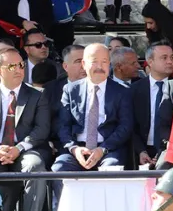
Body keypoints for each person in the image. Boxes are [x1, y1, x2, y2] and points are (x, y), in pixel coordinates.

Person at [0, 46, 49, 211]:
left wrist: (19, 148)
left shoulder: (37, 95)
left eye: (21, 65)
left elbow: (42, 130)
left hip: (25, 151)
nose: (19, 69)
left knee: (36, 166)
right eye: (12, 66)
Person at [51, 43, 133, 173]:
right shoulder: (71, 90)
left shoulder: (122, 92)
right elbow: (63, 125)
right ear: (84, 64)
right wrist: (74, 149)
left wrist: (102, 149)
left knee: (111, 170)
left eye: (104, 62)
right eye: (94, 62)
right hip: (77, 149)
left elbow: (125, 126)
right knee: (59, 168)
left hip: (108, 149)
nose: (100, 67)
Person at [132, 41, 173, 168]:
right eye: (164, 58)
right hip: (141, 149)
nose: (169, 61)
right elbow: (130, 125)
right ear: (150, 62)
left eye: (172, 58)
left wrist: (164, 150)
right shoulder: (134, 90)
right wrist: (140, 151)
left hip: (170, 150)